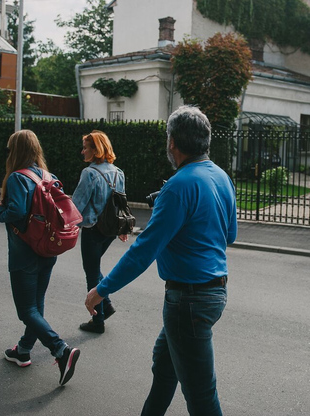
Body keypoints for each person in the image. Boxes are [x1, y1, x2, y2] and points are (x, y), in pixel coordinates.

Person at [85, 106, 237, 416]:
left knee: (202, 398)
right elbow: (229, 233)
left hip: (188, 301)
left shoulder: (179, 186)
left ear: (172, 143)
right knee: (165, 368)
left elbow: (144, 251)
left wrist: (101, 289)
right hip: (211, 292)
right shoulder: (221, 177)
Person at [0, 129, 81, 387]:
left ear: (16, 150)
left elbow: (17, 212)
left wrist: (0, 212)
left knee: (26, 310)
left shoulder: (17, 179)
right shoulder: (48, 176)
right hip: (47, 250)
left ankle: (61, 350)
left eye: (10, 148)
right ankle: (22, 351)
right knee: (36, 305)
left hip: (24, 254)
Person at [72, 130, 128, 334]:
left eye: (86, 147)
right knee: (94, 268)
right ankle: (106, 304)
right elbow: (121, 203)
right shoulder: (118, 172)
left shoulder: (90, 173)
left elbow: (76, 206)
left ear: (96, 150)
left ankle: (98, 321)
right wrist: (123, 228)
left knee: (92, 272)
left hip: (93, 229)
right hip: (110, 230)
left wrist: (64, 224)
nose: (82, 151)